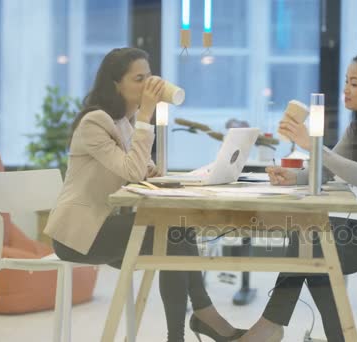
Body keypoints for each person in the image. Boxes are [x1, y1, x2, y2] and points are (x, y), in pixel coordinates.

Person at [44, 47, 245, 342]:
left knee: (176, 232)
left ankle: (194, 322)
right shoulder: (94, 122)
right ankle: (196, 322)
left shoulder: (123, 123)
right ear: (116, 84)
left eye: (149, 77)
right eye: (139, 79)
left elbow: (143, 170)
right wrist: (146, 116)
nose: (148, 85)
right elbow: (131, 169)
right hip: (78, 235)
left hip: (106, 224)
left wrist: (155, 167)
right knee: (172, 236)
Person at [240, 52, 357, 342]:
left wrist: (313, 143)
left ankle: (271, 326)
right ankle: (288, 329)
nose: (345, 89)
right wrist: (293, 177)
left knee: (315, 245)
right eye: (346, 81)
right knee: (311, 239)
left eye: (354, 83)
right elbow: (327, 170)